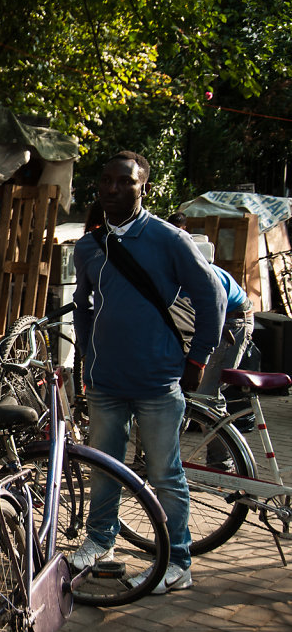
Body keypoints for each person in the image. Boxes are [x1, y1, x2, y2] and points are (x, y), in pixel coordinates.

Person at [72, 151, 225, 594]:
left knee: (164, 474)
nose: (112, 189)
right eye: (106, 181)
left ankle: (177, 562)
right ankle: (100, 539)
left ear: (145, 188)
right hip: (105, 383)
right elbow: (83, 307)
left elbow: (211, 295)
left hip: (158, 380)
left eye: (125, 182)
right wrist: (86, 357)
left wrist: (197, 360)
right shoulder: (88, 245)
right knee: (104, 466)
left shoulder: (167, 238)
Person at [166, 212, 255, 415]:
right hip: (215, 318)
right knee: (187, 392)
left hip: (234, 320)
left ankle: (219, 445)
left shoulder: (194, 268)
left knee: (206, 393)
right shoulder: (168, 266)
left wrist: (199, 359)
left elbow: (216, 307)